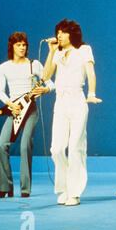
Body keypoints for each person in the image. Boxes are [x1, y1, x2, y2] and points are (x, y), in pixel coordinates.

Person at [43, 19, 102, 206]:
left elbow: (90, 73)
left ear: (72, 34)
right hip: (60, 102)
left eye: (63, 32)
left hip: (78, 100)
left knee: (76, 147)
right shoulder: (57, 52)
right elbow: (45, 76)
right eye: (57, 32)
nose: (59, 35)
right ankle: (65, 188)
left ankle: (74, 192)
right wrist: (51, 51)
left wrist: (91, 93)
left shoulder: (84, 50)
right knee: (56, 149)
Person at [0, 32, 54, 198]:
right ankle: (5, 187)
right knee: (1, 146)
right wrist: (10, 104)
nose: (22, 47)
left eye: (24, 45)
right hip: (14, 110)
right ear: (12, 46)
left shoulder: (34, 65)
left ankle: (25, 189)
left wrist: (46, 89)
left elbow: (50, 82)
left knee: (25, 145)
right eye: (18, 44)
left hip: (31, 109)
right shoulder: (4, 67)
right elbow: (0, 91)